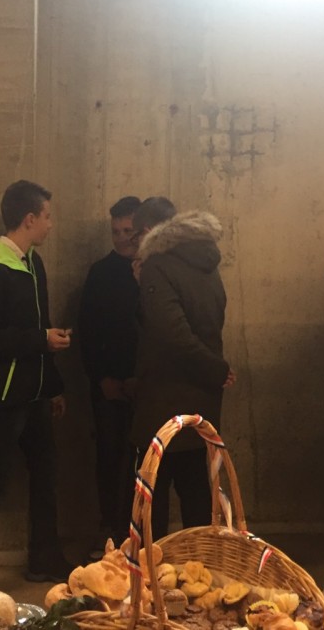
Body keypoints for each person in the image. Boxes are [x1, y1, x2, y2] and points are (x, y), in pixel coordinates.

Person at [0, 180, 73, 592]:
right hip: (3, 397)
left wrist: (53, 385)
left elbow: (42, 325)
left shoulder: (32, 263)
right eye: (47, 217)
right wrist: (41, 340)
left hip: (35, 392)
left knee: (45, 477)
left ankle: (44, 557)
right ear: (29, 219)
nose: (50, 225)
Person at [128, 196, 233, 540]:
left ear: (148, 230)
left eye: (135, 236)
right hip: (201, 401)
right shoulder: (204, 261)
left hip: (164, 403)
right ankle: (198, 567)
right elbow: (207, 322)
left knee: (151, 502)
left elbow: (172, 334)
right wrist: (214, 370)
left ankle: (152, 570)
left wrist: (216, 369)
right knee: (198, 498)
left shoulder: (158, 266)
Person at [78, 195, 141, 545]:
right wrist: (102, 378)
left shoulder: (156, 271)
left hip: (146, 384)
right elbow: (87, 331)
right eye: (116, 231)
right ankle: (110, 533)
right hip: (107, 384)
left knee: (144, 464)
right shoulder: (100, 273)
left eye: (128, 231)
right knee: (109, 458)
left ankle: (139, 535)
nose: (121, 238)